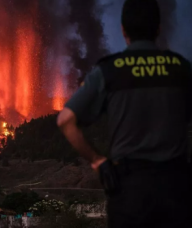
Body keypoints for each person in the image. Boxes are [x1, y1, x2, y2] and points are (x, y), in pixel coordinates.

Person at [57, 0, 192, 227]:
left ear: (123, 30)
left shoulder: (110, 70)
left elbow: (65, 120)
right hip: (176, 189)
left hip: (130, 191)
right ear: (158, 28)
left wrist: (98, 161)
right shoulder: (181, 68)